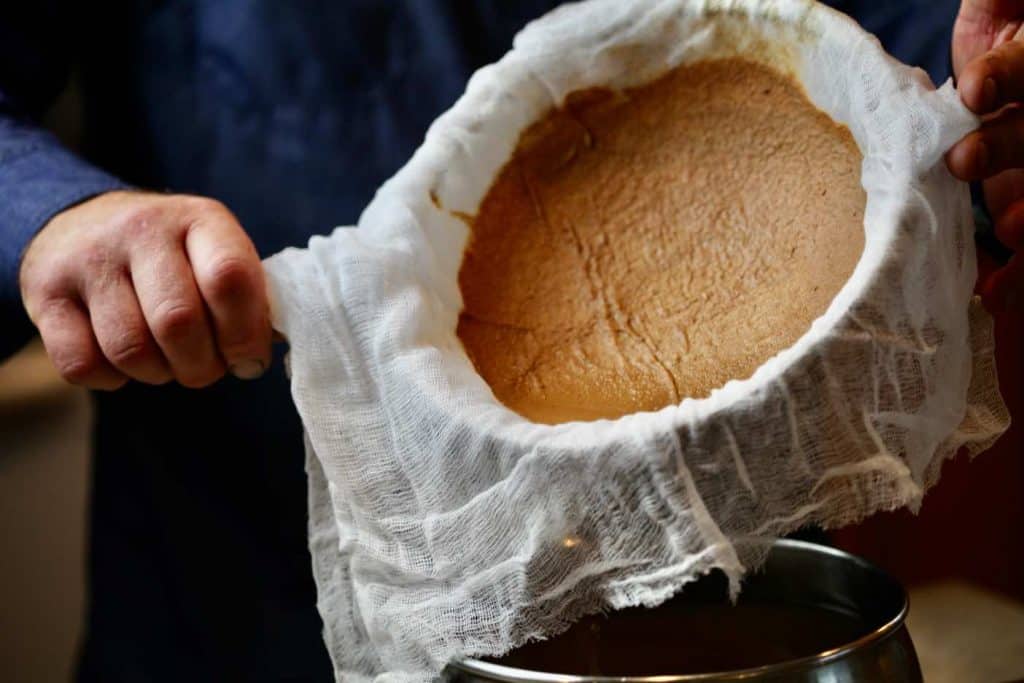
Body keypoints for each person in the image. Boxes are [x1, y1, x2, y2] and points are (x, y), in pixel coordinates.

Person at [0, 1, 1018, 680]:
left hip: (732, 587)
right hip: (231, 613)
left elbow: (930, 46)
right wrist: (52, 218)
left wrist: (986, 101)